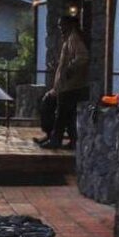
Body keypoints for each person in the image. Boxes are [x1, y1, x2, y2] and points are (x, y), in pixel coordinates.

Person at [35, 14, 90, 149]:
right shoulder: (69, 39)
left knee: (60, 114)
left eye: (62, 24)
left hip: (71, 86)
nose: (60, 27)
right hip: (66, 86)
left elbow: (82, 57)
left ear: (69, 24)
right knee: (67, 115)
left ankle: (55, 140)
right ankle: (70, 140)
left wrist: (69, 70)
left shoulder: (74, 38)